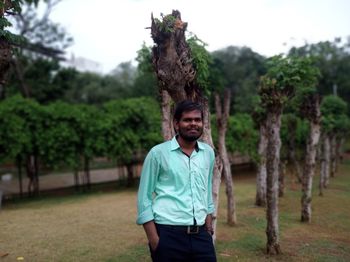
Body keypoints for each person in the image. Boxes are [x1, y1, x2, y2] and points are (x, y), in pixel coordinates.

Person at [136, 100, 217, 262]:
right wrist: (155, 240)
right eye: (187, 120)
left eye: (197, 120)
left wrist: (208, 221)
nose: (193, 124)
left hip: (202, 236)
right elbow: (144, 197)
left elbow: (207, 188)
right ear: (176, 124)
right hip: (168, 236)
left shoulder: (208, 153)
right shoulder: (157, 153)